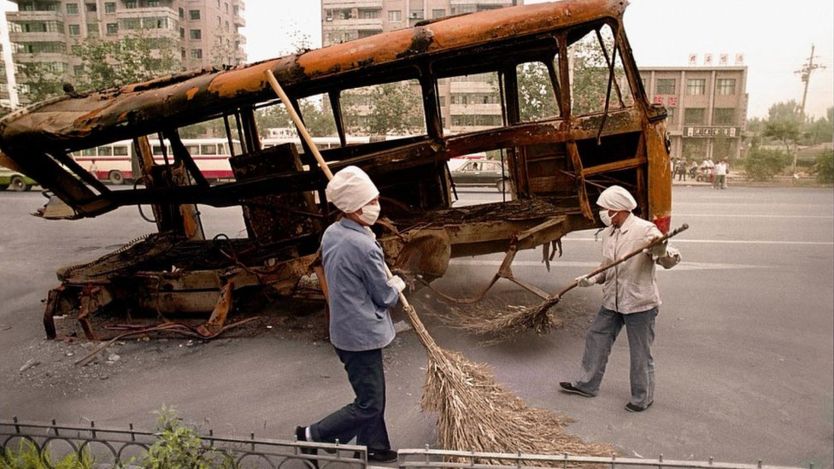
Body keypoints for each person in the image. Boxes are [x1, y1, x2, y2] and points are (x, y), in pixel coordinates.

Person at [295, 166, 404, 463]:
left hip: (344, 331)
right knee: (369, 403)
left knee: (372, 396)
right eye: (370, 202)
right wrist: (397, 282)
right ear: (353, 208)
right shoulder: (363, 246)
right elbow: (384, 297)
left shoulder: (334, 232)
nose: (376, 206)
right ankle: (311, 436)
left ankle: (374, 447)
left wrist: (367, 236)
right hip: (361, 335)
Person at [559, 185, 681, 412]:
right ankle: (587, 385)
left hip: (639, 303)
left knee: (640, 353)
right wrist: (592, 278)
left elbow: (668, 260)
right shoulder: (609, 233)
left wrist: (661, 250)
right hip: (612, 301)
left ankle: (642, 398)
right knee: (596, 338)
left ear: (617, 209)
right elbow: (607, 268)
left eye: (605, 209)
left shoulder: (645, 230)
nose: (602, 214)